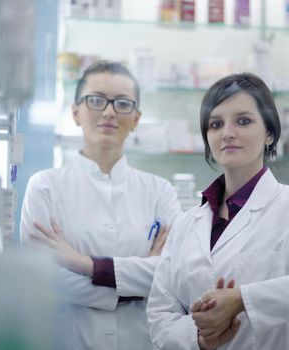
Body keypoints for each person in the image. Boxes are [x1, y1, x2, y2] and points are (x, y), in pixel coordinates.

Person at [146, 73, 289, 350]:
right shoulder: (187, 223)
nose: (227, 133)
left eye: (244, 121)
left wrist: (242, 299)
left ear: (270, 133)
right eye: (215, 124)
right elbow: (159, 316)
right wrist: (200, 337)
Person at [20, 60, 181, 350]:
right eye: (95, 100)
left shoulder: (160, 191)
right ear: (75, 112)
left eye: (122, 103)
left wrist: (82, 264)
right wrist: (134, 285)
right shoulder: (44, 186)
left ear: (136, 118)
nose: (108, 111)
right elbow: (46, 277)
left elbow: (172, 274)